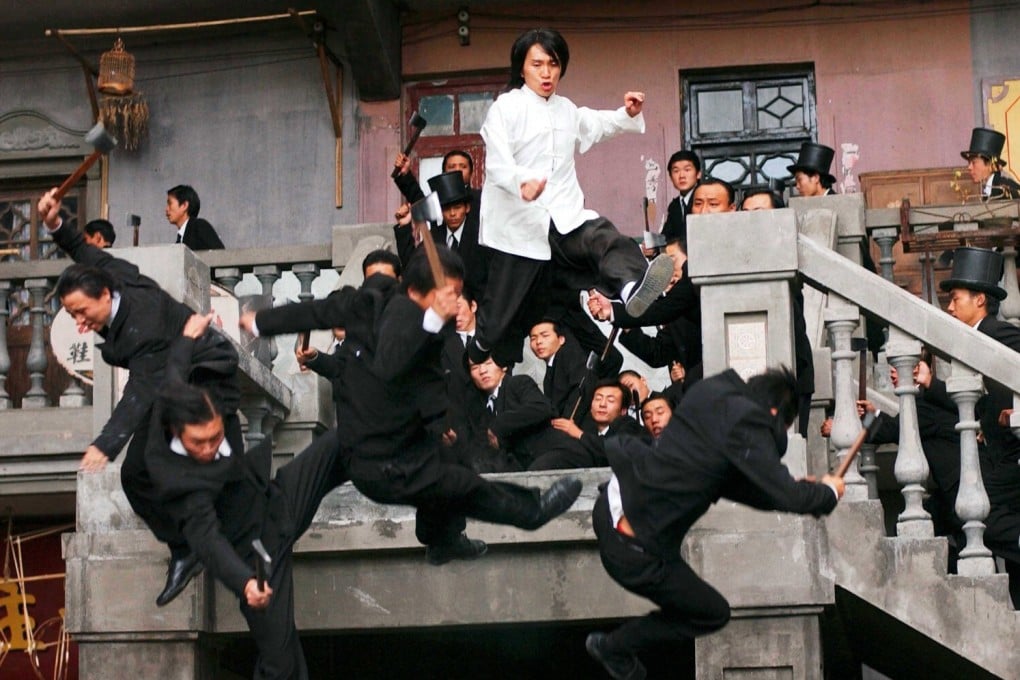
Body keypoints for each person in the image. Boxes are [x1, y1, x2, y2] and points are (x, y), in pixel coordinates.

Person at [240, 247, 583, 566]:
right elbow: (388, 359)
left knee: (451, 465)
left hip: (363, 437)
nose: (456, 303)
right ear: (429, 293)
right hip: (384, 462)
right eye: (451, 295)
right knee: (465, 487)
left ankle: (442, 541)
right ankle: (534, 510)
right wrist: (261, 323)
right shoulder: (408, 316)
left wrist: (259, 322)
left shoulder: (413, 318)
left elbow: (429, 381)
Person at [38, 187, 233, 605]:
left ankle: (219, 521)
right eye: (71, 314)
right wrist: (54, 220)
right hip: (170, 373)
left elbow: (141, 392)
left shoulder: (140, 321)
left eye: (80, 311)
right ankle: (184, 547)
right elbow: (80, 249)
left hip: (207, 368)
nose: (78, 321)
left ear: (104, 297)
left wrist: (105, 444)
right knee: (135, 475)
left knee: (185, 448)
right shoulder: (109, 273)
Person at [584, 367, 844, 680]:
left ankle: (616, 647)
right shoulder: (749, 420)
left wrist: (799, 489)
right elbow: (790, 496)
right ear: (774, 412)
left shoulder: (710, 393)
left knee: (696, 603)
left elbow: (737, 484)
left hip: (611, 508)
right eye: (782, 426)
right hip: (634, 548)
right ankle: (614, 646)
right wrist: (828, 492)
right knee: (710, 613)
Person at [468, 27, 673, 368]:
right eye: (537, 64)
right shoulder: (505, 108)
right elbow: (497, 161)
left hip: (563, 219)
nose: (546, 73)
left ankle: (631, 288)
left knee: (602, 235)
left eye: (553, 64)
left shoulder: (566, 109)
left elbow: (595, 124)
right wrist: (521, 183)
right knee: (501, 315)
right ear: (522, 68)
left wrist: (628, 115)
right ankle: (478, 349)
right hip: (518, 228)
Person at [147, 373, 346, 679]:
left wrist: (197, 333)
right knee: (281, 663)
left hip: (278, 499)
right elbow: (208, 540)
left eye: (216, 438)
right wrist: (245, 583)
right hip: (257, 559)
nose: (212, 447)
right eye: (201, 443)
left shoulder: (215, 405)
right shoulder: (180, 486)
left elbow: (214, 362)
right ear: (178, 433)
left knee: (345, 438)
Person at [918, 247, 1020, 604]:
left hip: (1012, 457)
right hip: (1001, 456)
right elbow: (973, 399)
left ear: (979, 300)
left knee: (973, 513)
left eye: (955, 299)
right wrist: (931, 385)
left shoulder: (997, 333)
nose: (949, 307)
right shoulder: (979, 339)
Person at [463, 355, 590, 471]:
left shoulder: (518, 383)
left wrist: (499, 424)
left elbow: (541, 407)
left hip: (560, 451)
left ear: (503, 366)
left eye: (488, 363)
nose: (482, 371)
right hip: (527, 465)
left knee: (535, 474)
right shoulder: (479, 407)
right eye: (475, 367)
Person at [393, 169, 490, 299]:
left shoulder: (481, 238)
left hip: (474, 311)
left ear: (467, 208)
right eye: (446, 209)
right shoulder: (435, 236)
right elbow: (412, 266)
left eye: (457, 207)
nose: (452, 214)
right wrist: (404, 226)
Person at [551, 379, 647, 467]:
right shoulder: (590, 429)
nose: (602, 404)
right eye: (598, 399)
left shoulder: (629, 425)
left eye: (610, 400)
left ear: (623, 411)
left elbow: (614, 451)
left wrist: (578, 434)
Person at [530, 318, 591, 422]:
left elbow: (581, 388)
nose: (538, 342)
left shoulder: (568, 354)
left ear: (561, 339)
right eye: (533, 338)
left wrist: (565, 422)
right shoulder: (552, 365)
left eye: (545, 335)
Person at [961, 127, 1020, 201]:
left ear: (990, 164)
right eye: (969, 163)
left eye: (974, 162)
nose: (969, 167)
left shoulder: (1005, 188)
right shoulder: (989, 187)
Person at [660, 150, 702, 242]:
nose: (682, 175)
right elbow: (666, 237)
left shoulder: (704, 199)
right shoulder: (674, 206)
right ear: (671, 177)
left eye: (687, 170)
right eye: (676, 171)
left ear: (698, 174)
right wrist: (653, 247)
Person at [166, 184, 225, 249]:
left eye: (170, 203)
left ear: (184, 205)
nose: (166, 209)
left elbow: (220, 255)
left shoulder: (200, 226)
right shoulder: (179, 241)